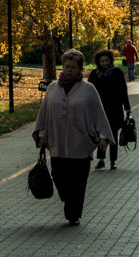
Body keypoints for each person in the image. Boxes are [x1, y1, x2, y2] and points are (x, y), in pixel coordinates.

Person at [33, 49, 115, 226]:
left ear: (80, 69)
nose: (69, 70)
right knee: (59, 176)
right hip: (57, 143)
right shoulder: (53, 88)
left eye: (73, 67)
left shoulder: (88, 90)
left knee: (78, 183)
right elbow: (44, 113)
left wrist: (102, 136)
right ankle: (68, 199)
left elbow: (98, 114)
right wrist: (41, 134)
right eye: (66, 66)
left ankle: (74, 214)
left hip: (80, 144)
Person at [88, 50, 131, 171]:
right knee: (101, 135)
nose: (105, 63)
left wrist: (127, 107)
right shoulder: (94, 74)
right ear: (98, 62)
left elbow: (123, 90)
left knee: (113, 136)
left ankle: (113, 161)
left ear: (111, 60)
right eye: (102, 61)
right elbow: (88, 92)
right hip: (99, 110)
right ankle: (101, 160)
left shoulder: (117, 72)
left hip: (115, 109)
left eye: (107, 60)